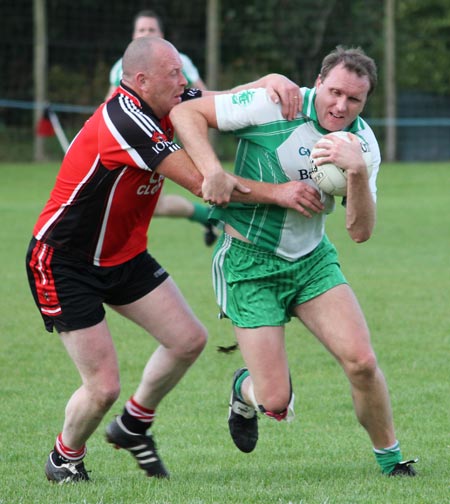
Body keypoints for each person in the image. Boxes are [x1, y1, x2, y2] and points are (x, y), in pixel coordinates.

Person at [26, 35, 308, 483]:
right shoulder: (126, 120)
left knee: (188, 340)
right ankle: (65, 459)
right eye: (173, 73)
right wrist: (283, 194)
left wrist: (268, 81)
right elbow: (204, 184)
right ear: (141, 80)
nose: (184, 80)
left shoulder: (169, 98)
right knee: (102, 387)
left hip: (123, 257)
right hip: (64, 261)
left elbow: (228, 99)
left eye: (182, 71)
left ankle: (134, 424)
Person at [169, 45, 418, 477]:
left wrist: (357, 172)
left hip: (311, 261)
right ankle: (244, 391)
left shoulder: (362, 144)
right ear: (318, 83)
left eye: (354, 99)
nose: (341, 106)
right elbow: (185, 114)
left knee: (362, 361)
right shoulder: (273, 103)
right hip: (250, 265)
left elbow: (360, 232)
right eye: (334, 92)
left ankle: (392, 461)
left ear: (365, 101)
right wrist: (212, 169)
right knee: (275, 401)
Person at [106, 9, 215, 245]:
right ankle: (208, 216)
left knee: (167, 199)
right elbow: (107, 105)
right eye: (141, 29)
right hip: (132, 144)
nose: (146, 33)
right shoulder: (120, 67)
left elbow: (201, 98)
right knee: (155, 205)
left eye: (151, 30)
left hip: (159, 141)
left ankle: (214, 215)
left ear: (161, 35)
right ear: (133, 34)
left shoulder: (180, 61)